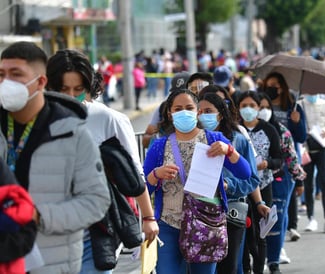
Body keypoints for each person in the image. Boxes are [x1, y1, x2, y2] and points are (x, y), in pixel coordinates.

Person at [0, 41, 111, 274]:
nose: (5, 82)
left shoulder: (73, 133)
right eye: (1, 74)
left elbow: (96, 202)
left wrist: (38, 215)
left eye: (16, 74)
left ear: (40, 82)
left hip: (50, 263)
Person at [46, 49, 159, 274]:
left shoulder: (107, 119)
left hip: (94, 232)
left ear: (89, 88)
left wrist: (148, 217)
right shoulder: (37, 119)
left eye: (78, 89)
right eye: (63, 89)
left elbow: (133, 174)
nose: (70, 95)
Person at [143, 89, 251, 274]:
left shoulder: (214, 140)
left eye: (189, 107)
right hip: (169, 223)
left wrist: (229, 151)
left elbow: (245, 172)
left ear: (197, 111)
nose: (184, 112)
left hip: (205, 223)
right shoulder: (160, 145)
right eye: (178, 108)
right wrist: (156, 174)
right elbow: (144, 186)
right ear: (170, 113)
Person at [197, 92, 265, 274]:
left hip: (231, 212)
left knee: (229, 267)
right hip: (197, 213)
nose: (203, 115)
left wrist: (228, 185)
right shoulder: (190, 140)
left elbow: (251, 180)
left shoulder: (238, 140)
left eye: (208, 111)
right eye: (199, 111)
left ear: (220, 113)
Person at [257, 93, 306, 274]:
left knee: (276, 221)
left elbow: (291, 157)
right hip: (254, 184)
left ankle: (274, 261)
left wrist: (299, 179)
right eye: (257, 107)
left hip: (280, 179)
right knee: (258, 223)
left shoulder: (281, 131)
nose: (261, 111)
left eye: (265, 107)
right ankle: (259, 259)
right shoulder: (244, 134)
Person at [236, 91, 284, 274]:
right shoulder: (236, 129)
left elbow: (279, 159)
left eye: (252, 106)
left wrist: (267, 163)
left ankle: (260, 267)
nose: (248, 109)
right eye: (243, 106)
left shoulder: (269, 129)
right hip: (240, 188)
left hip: (263, 186)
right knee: (244, 233)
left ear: (258, 107)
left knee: (261, 232)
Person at [298, 94, 325, 232]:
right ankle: (311, 218)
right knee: (308, 183)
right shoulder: (299, 105)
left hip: (323, 146)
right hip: (306, 149)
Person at [142, 71, 191, 148]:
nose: (181, 97)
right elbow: (145, 139)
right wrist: (161, 139)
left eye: (186, 93)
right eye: (177, 93)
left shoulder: (203, 108)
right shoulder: (163, 108)